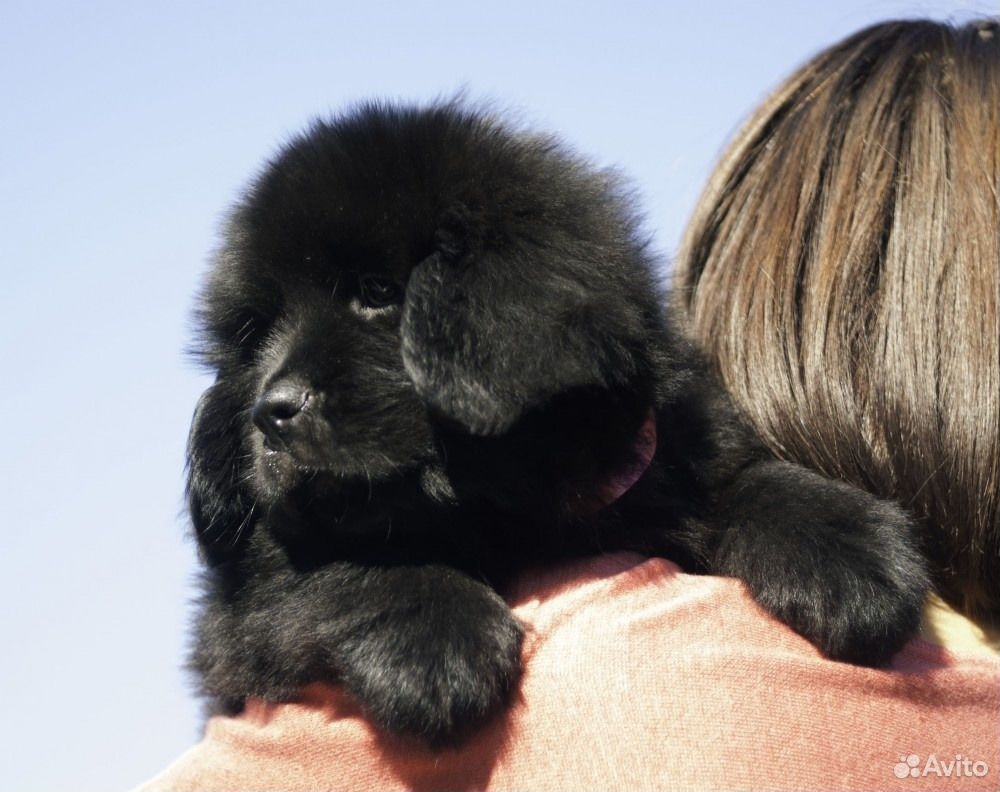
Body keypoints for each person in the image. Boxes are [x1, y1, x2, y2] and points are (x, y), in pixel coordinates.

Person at [135, 18, 999, 792]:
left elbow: (705, 477)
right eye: (263, 338)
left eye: (370, 295)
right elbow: (245, 611)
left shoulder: (664, 452)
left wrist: (765, 505)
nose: (281, 387)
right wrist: (369, 598)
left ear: (492, 303)